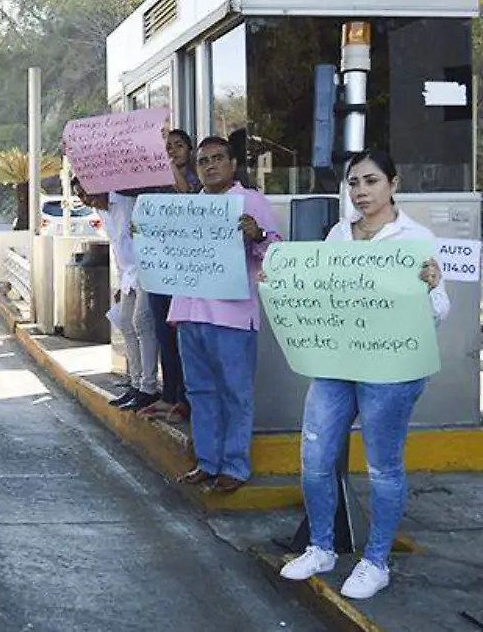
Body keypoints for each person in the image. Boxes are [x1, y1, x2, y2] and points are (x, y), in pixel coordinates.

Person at [279, 150, 447, 600]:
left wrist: (430, 288)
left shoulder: (416, 237)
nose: (362, 191)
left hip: (391, 371)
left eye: (371, 181)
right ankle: (321, 547)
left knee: (383, 466)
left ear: (393, 183)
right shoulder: (339, 235)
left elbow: (439, 312)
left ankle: (375, 561)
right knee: (315, 457)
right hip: (338, 364)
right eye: (354, 183)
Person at [170, 136, 280, 493]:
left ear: (232, 164)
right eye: (203, 161)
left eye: (218, 158)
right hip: (190, 312)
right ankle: (207, 461)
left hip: (232, 316)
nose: (210, 165)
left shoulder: (250, 201)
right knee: (199, 392)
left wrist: (258, 233)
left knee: (235, 392)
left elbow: (277, 254)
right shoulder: (188, 206)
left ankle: (234, 464)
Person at [75, 180, 159, 410]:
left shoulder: (124, 200)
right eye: (79, 195)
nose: (84, 198)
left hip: (146, 268)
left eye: (85, 191)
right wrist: (122, 285)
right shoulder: (101, 210)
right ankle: (136, 382)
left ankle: (148, 387)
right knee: (124, 322)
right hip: (129, 275)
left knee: (141, 322)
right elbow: (117, 247)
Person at [141, 129, 200, 423]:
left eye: (178, 146)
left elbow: (187, 196)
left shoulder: (194, 178)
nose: (173, 151)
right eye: (168, 147)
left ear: (190, 150)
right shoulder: (154, 183)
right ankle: (170, 395)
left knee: (182, 337)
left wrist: (173, 168)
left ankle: (186, 399)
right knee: (163, 333)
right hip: (159, 267)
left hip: (185, 270)